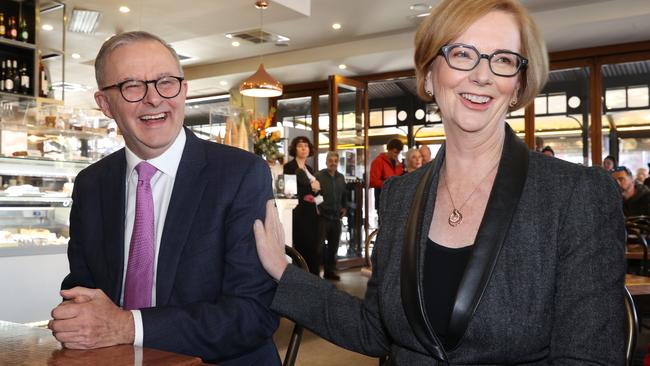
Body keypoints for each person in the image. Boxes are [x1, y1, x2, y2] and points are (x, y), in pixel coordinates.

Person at [254, 0, 625, 364]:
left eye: (504, 59)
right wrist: (285, 273)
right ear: (430, 74)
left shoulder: (578, 195)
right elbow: (375, 329)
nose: (483, 75)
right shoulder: (402, 195)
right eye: (463, 53)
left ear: (518, 86)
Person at [47, 31, 280, 365]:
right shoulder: (92, 184)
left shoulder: (240, 174)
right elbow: (83, 285)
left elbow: (252, 313)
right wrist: (78, 316)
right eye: (131, 86)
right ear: (104, 104)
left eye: (165, 82)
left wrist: (127, 326)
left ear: (183, 91)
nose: (153, 99)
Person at [283, 136, 322, 276]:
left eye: (306, 146)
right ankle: (304, 279)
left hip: (311, 213)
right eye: (300, 146)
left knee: (313, 247)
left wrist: (316, 189)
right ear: (295, 149)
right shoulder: (289, 167)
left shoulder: (309, 168)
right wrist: (310, 188)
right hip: (299, 213)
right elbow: (289, 191)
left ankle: (314, 279)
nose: (304, 148)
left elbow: (315, 190)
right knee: (302, 247)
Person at [315, 151, 348, 281]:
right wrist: (318, 208)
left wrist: (344, 206)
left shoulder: (341, 177)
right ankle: (316, 273)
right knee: (319, 247)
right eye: (330, 161)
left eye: (335, 161)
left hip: (336, 217)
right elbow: (315, 194)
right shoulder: (318, 176)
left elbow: (344, 194)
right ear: (326, 162)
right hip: (323, 217)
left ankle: (330, 272)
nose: (333, 163)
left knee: (334, 247)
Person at [369, 138, 403, 209]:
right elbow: (373, 182)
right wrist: (389, 184)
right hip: (383, 200)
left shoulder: (398, 164)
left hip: (395, 200)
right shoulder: (378, 162)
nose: (396, 155)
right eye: (395, 152)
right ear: (388, 149)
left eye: (398, 153)